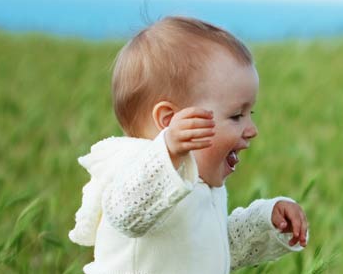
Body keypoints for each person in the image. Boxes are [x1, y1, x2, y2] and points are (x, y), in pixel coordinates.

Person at [68, 16, 311, 273]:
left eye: (251, 114)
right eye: (236, 115)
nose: (252, 130)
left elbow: (211, 249)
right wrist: (168, 151)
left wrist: (265, 222)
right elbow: (124, 214)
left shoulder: (201, 185)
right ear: (171, 121)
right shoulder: (136, 170)